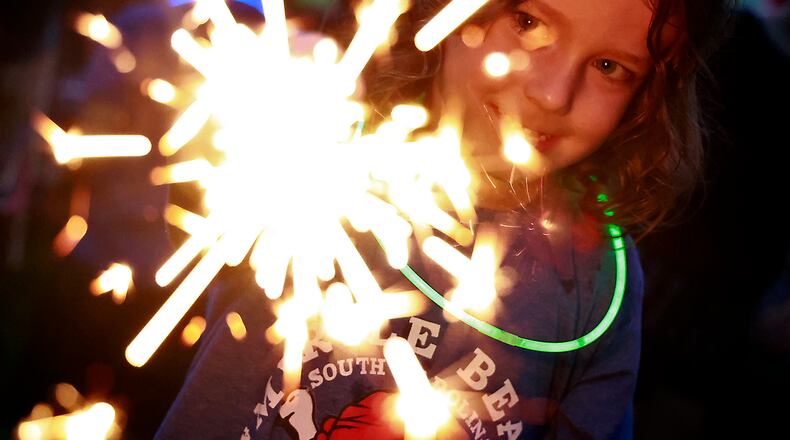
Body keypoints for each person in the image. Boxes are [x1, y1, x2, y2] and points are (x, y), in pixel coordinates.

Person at [154, 0, 731, 438]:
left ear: (648, 97)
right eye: (528, 22)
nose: (553, 94)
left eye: (609, 66)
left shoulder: (600, 282)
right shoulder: (308, 169)